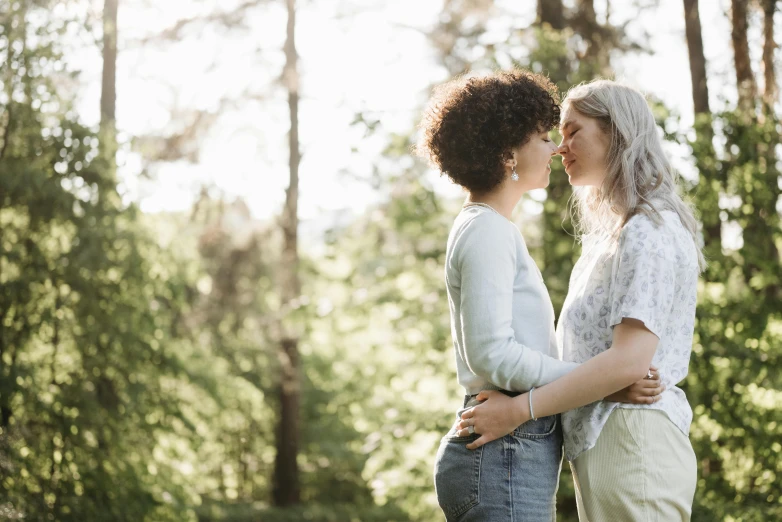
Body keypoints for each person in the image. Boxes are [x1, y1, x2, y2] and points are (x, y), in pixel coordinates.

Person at [417, 71, 662, 522]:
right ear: (507, 151)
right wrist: (596, 382)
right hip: (502, 450)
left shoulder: (492, 228)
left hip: (510, 448)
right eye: (543, 137)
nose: (555, 149)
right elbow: (492, 353)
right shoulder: (486, 229)